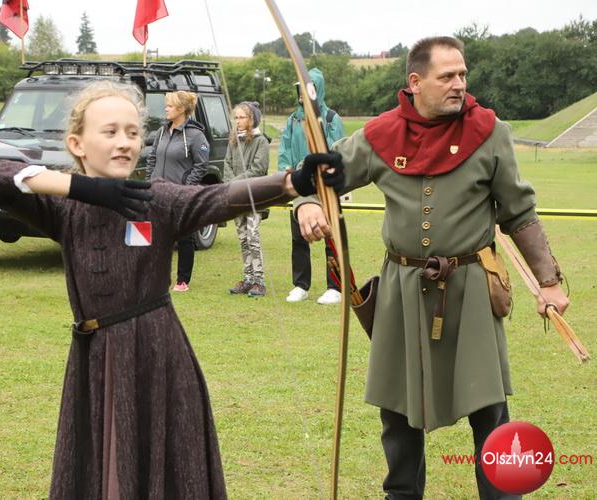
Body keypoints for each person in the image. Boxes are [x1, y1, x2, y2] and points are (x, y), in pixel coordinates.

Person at [0, 80, 320, 499]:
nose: (124, 142)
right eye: (110, 132)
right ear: (77, 144)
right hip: (93, 357)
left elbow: (219, 197)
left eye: (133, 132)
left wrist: (292, 183)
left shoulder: (155, 199)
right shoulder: (63, 206)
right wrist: (82, 187)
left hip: (156, 355)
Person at [294, 37, 569, 499]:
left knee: (489, 407)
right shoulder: (380, 134)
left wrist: (550, 281)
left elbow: (519, 212)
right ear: (416, 82)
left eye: (463, 75)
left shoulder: (490, 132)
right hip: (402, 289)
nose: (459, 84)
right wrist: (307, 202)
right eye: (447, 76)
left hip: (471, 287)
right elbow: (322, 175)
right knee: (396, 408)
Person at [278, 68, 345, 304]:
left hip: (325, 187)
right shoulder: (293, 120)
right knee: (299, 237)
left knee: (331, 236)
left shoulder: (331, 118)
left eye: (307, 88)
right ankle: (300, 285)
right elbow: (285, 151)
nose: (302, 93)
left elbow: (338, 151)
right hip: (299, 185)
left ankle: (335, 286)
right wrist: (288, 175)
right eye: (300, 88)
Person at [145, 90, 209, 292]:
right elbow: (152, 158)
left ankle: (182, 281)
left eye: (170, 106)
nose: (166, 109)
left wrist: (186, 187)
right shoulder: (162, 131)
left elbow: (201, 165)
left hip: (181, 195)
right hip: (158, 193)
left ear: (181, 109)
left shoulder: (196, 136)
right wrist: (150, 182)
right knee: (157, 237)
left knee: (184, 237)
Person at [223, 101, 270, 297]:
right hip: (237, 197)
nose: (238, 121)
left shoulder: (261, 141)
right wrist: (229, 185)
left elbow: (258, 169)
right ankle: (248, 279)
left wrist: (234, 183)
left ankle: (259, 281)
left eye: (242, 117)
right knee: (243, 239)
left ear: (251, 119)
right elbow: (226, 163)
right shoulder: (234, 140)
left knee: (253, 238)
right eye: (236, 117)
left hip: (254, 198)